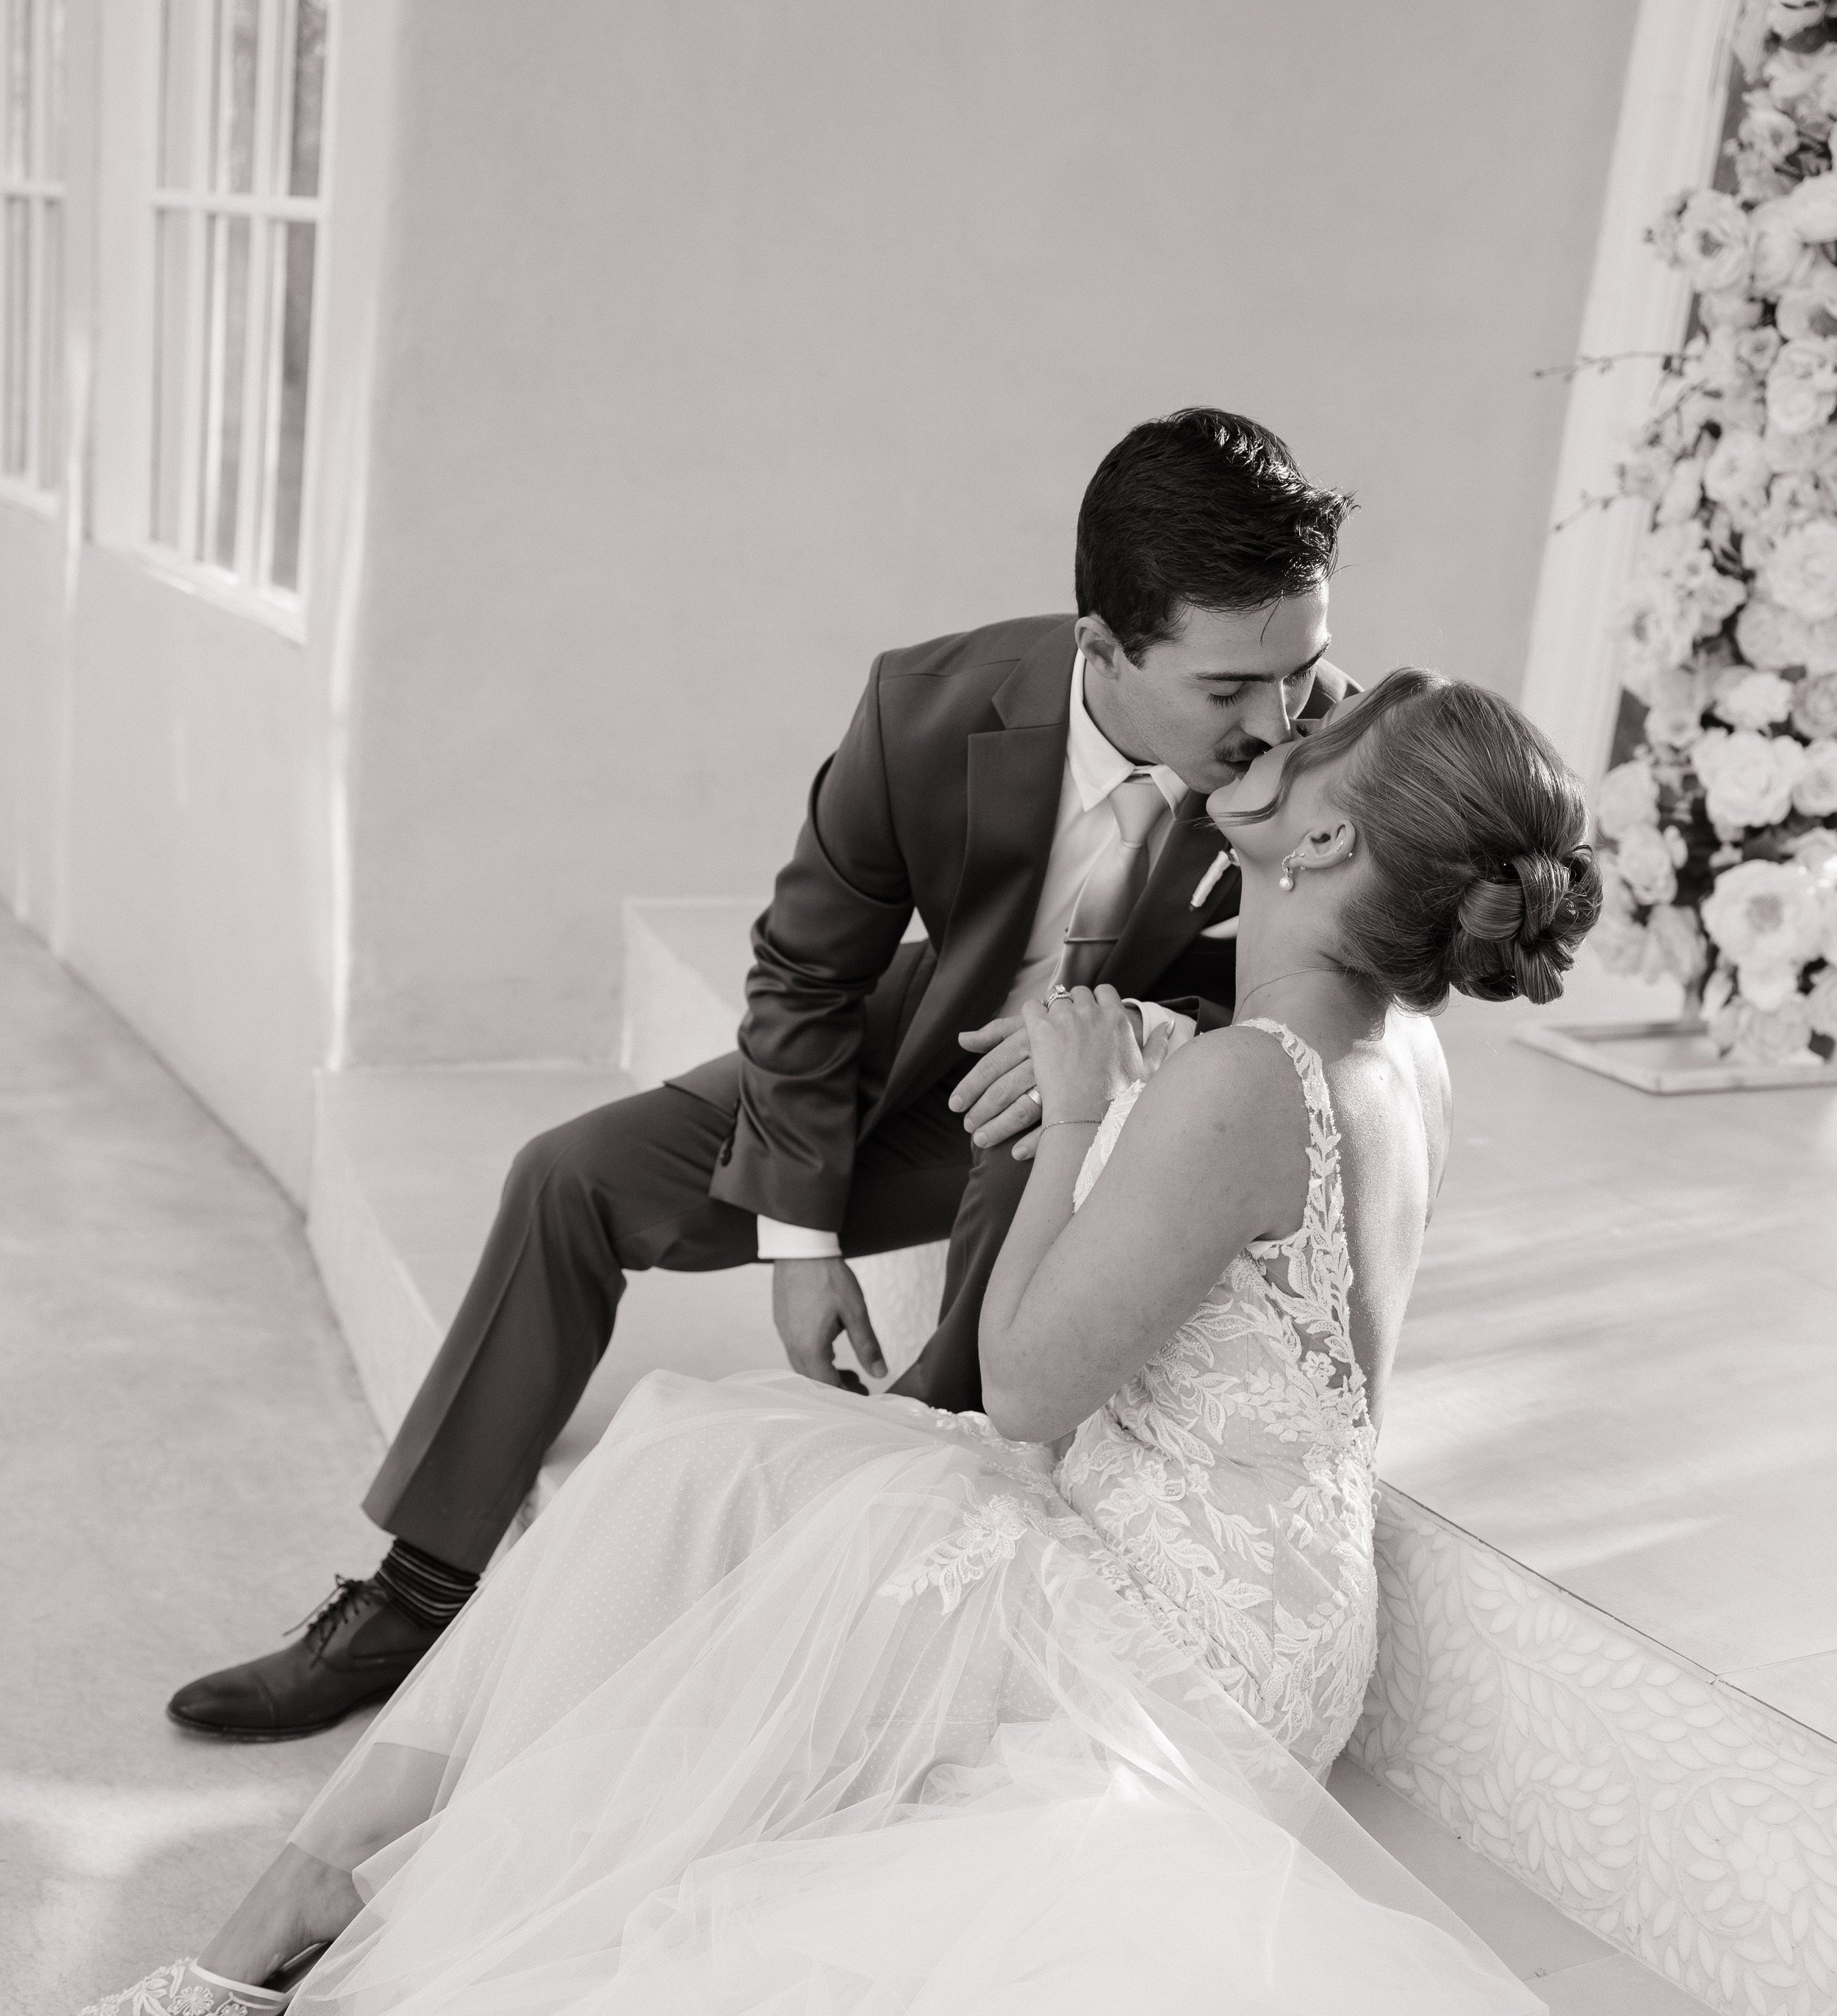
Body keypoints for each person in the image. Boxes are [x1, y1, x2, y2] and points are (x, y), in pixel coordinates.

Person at [37, 673, 1837, 2016]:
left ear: (1320, 838)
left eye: (1316, 734)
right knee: (736, 1469)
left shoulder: (1239, 1083)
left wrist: (1084, 1119)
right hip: (1280, 1588)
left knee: (725, 1477)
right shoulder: (1382, 1053)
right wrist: (1142, 1079)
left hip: (1176, 1626)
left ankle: (354, 1906)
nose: (1276, 733)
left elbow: (1034, 1391)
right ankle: (358, 1886)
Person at [165, 406, 1359, 1741]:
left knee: (1004, 1222)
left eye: (1303, 670)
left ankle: (827, 1645)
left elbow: (1327, 1003)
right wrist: (801, 1237)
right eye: (1230, 691)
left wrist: (1126, 1033)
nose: (1281, 722)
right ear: (1102, 646)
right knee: (568, 1178)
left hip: (1099, 1123)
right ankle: (418, 1592)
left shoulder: (1332, 759)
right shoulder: (928, 707)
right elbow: (806, 967)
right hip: (918, 1054)